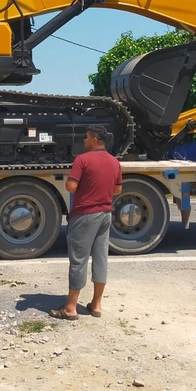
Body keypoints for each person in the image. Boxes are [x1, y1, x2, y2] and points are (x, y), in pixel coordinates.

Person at [50, 125, 122, 320]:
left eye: (86, 137)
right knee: (101, 259)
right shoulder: (114, 162)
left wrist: (85, 185)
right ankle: (96, 305)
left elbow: (71, 187)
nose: (83, 140)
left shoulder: (82, 160)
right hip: (105, 215)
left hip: (84, 215)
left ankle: (71, 308)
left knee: (78, 260)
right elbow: (117, 190)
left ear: (95, 140)